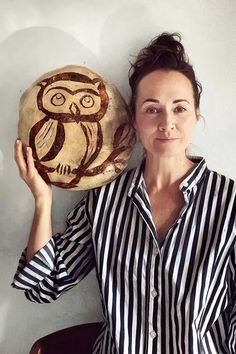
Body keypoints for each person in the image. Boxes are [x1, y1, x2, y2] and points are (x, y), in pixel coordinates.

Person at [12, 33, 236, 354]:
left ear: (196, 115)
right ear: (133, 119)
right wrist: (43, 199)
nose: (167, 122)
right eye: (152, 109)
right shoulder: (103, 201)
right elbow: (44, 285)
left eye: (180, 108)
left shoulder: (229, 203)